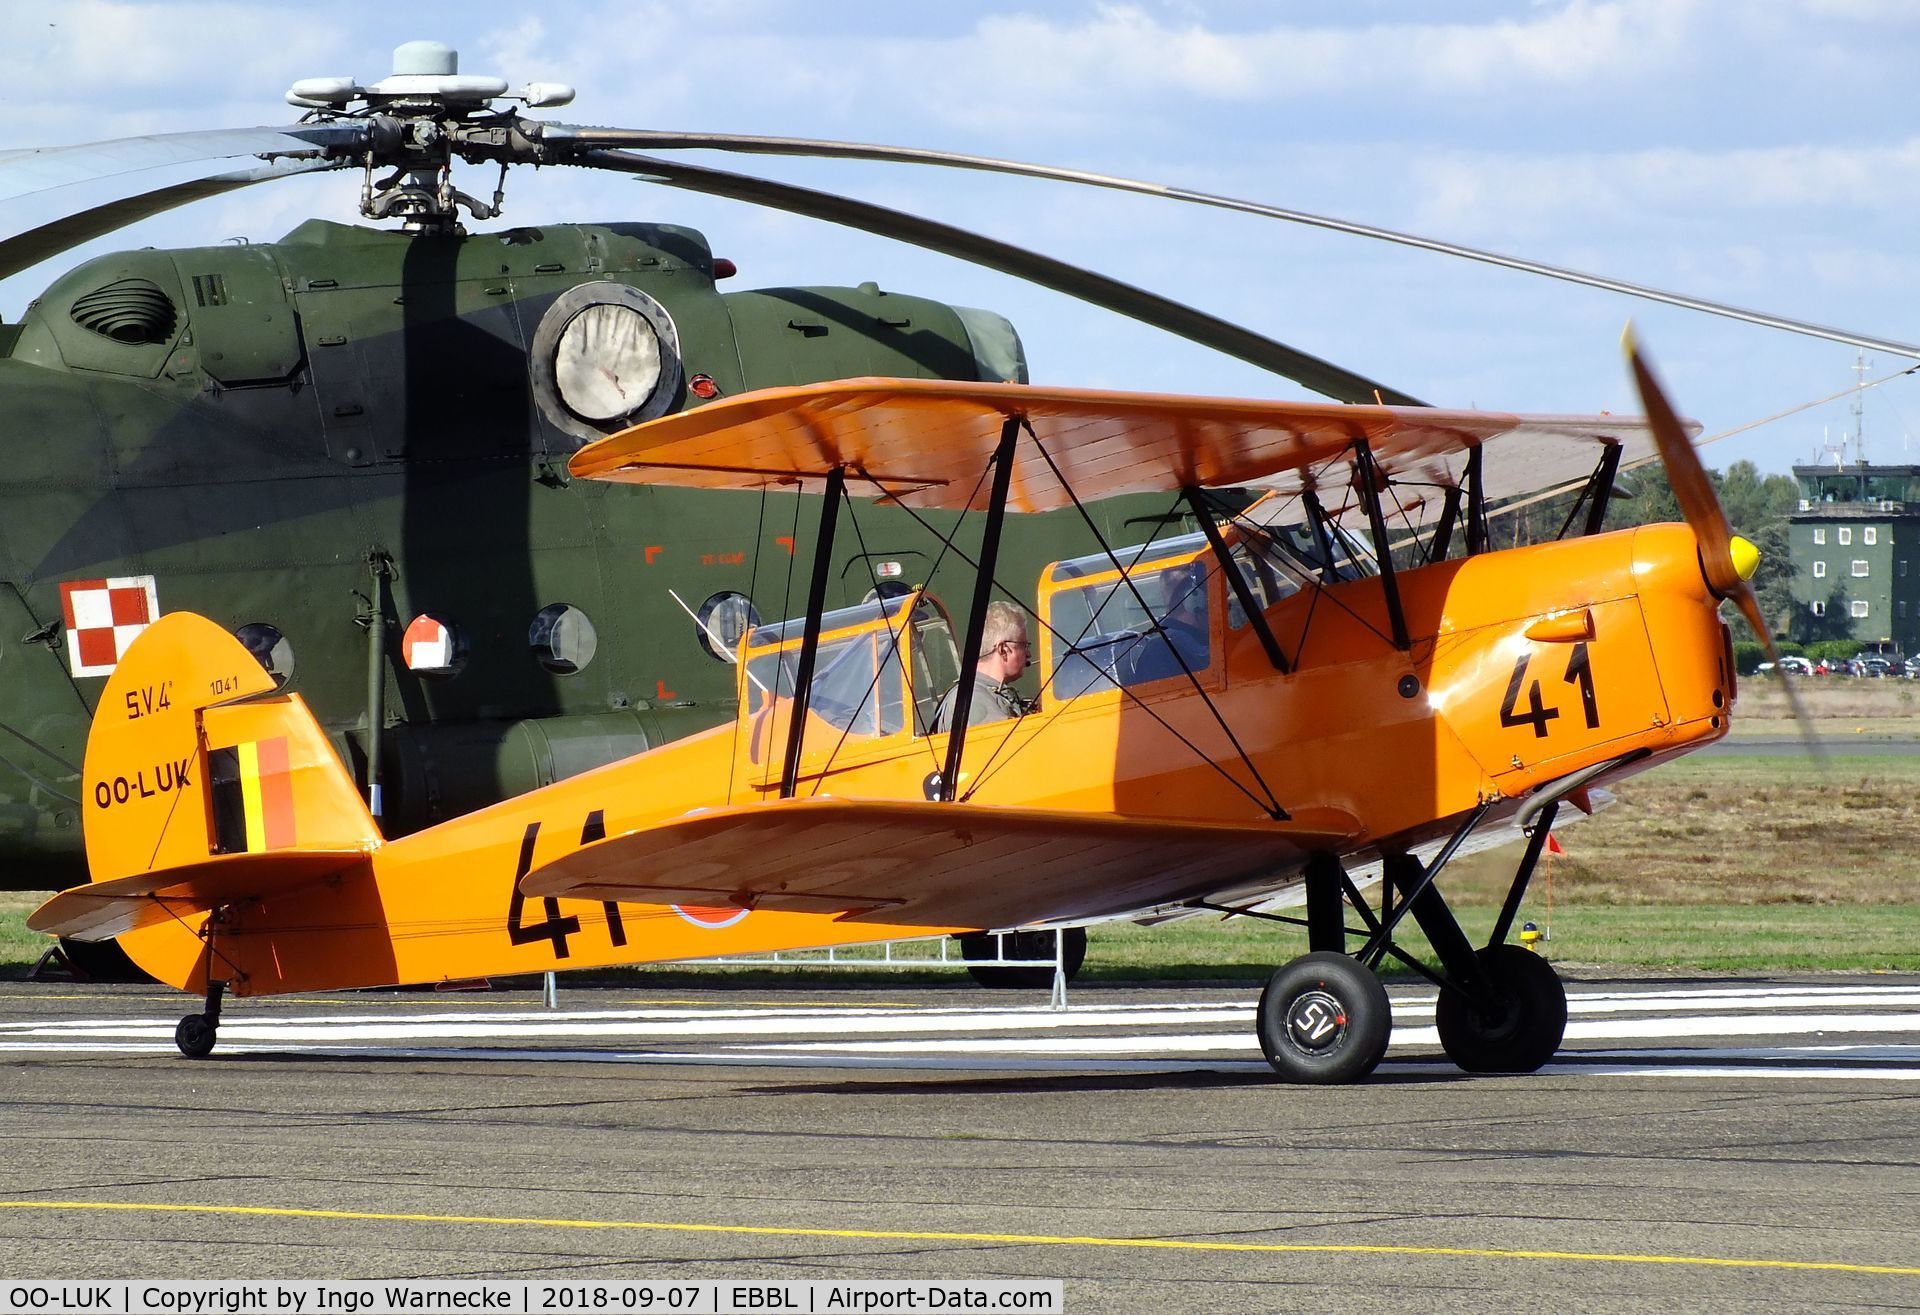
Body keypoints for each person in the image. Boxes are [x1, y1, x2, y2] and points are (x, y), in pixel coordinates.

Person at [931, 600, 1035, 732]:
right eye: (1023, 645)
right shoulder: (971, 699)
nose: (1028, 653)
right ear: (1003, 649)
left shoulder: (990, 693)